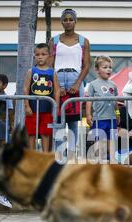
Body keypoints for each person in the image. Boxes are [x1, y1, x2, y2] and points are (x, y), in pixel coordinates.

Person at [49, 8, 90, 157]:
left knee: (74, 119)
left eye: (70, 19)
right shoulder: (54, 40)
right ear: (61, 22)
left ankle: (72, 154)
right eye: (65, 19)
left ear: (75, 21)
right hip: (58, 77)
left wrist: (78, 83)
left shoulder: (83, 41)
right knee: (58, 118)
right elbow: (50, 64)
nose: (68, 22)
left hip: (75, 77)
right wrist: (57, 85)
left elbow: (86, 65)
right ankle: (59, 154)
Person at [24, 44, 60, 151]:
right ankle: (32, 155)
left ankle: (45, 155)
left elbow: (57, 90)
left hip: (47, 108)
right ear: (34, 56)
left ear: (49, 56)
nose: (40, 57)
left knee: (46, 133)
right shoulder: (31, 71)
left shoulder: (52, 72)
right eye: (37, 54)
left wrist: (56, 106)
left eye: (43, 54)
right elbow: (26, 89)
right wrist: (27, 106)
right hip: (33, 108)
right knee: (31, 133)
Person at [85, 55, 120, 161]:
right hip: (99, 119)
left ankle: (113, 162)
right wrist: (88, 114)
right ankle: (98, 162)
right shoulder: (93, 84)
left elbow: (115, 101)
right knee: (99, 143)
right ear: (97, 69)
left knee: (112, 143)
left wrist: (117, 113)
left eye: (110, 67)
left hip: (112, 119)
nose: (108, 69)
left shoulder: (113, 84)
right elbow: (89, 100)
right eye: (104, 67)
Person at [0, 74, 14, 142]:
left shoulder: (6, 97)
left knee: (4, 139)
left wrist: (3, 117)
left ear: (4, 85)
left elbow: (10, 110)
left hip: (4, 123)